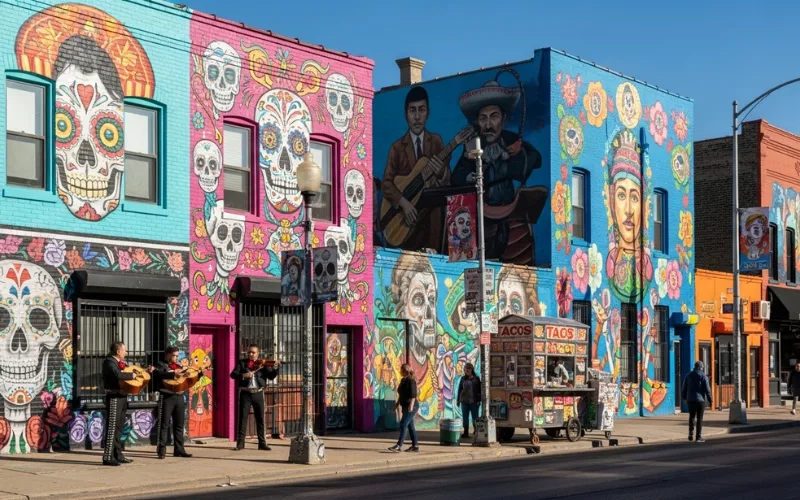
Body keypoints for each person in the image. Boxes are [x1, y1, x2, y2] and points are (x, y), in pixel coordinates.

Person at [101, 341, 151, 466]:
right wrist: (131, 375)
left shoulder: (120, 363)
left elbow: (130, 371)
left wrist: (144, 372)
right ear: (118, 351)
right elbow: (118, 374)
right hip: (114, 396)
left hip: (122, 396)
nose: (126, 352)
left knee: (119, 427)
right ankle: (107, 457)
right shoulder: (109, 362)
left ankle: (118, 454)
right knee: (112, 427)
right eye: (125, 350)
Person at [230, 344, 280, 451]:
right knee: (242, 418)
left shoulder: (263, 364)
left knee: (260, 419)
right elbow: (233, 374)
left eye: (253, 352)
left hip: (258, 393)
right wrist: (243, 375)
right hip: (245, 393)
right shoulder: (242, 363)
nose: (251, 354)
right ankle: (240, 444)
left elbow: (271, 376)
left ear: (258, 353)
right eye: (249, 352)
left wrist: (276, 368)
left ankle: (262, 443)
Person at [153, 346, 193, 459]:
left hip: (179, 397)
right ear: (168, 355)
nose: (176, 358)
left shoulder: (180, 366)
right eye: (174, 355)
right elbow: (159, 374)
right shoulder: (161, 364)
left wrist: (193, 374)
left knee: (179, 424)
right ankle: (161, 450)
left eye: (177, 355)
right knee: (164, 424)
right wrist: (174, 373)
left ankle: (179, 449)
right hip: (166, 397)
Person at [388, 363, 419, 453]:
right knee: (410, 426)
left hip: (411, 405)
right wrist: (396, 405)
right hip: (405, 405)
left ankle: (398, 445)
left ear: (405, 370)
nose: (400, 371)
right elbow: (401, 395)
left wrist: (411, 406)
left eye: (401, 370)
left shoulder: (411, 380)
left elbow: (413, 395)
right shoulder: (403, 380)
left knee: (403, 423)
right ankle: (415, 446)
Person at [682, 361, 713, 443]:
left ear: (694, 367)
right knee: (699, 418)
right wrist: (710, 399)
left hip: (690, 400)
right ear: (701, 367)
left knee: (691, 416)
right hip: (700, 400)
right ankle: (698, 437)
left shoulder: (688, 375)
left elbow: (684, 387)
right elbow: (707, 389)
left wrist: (684, 397)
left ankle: (690, 433)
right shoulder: (703, 376)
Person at [456, 363, 481, 438]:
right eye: (465, 368)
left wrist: (479, 400)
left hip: (474, 402)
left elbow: (480, 390)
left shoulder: (476, 379)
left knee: (475, 417)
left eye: (468, 368)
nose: (467, 370)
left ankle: (476, 431)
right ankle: (465, 432)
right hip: (464, 402)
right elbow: (460, 389)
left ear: (472, 369)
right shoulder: (463, 379)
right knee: (465, 417)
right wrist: (458, 400)